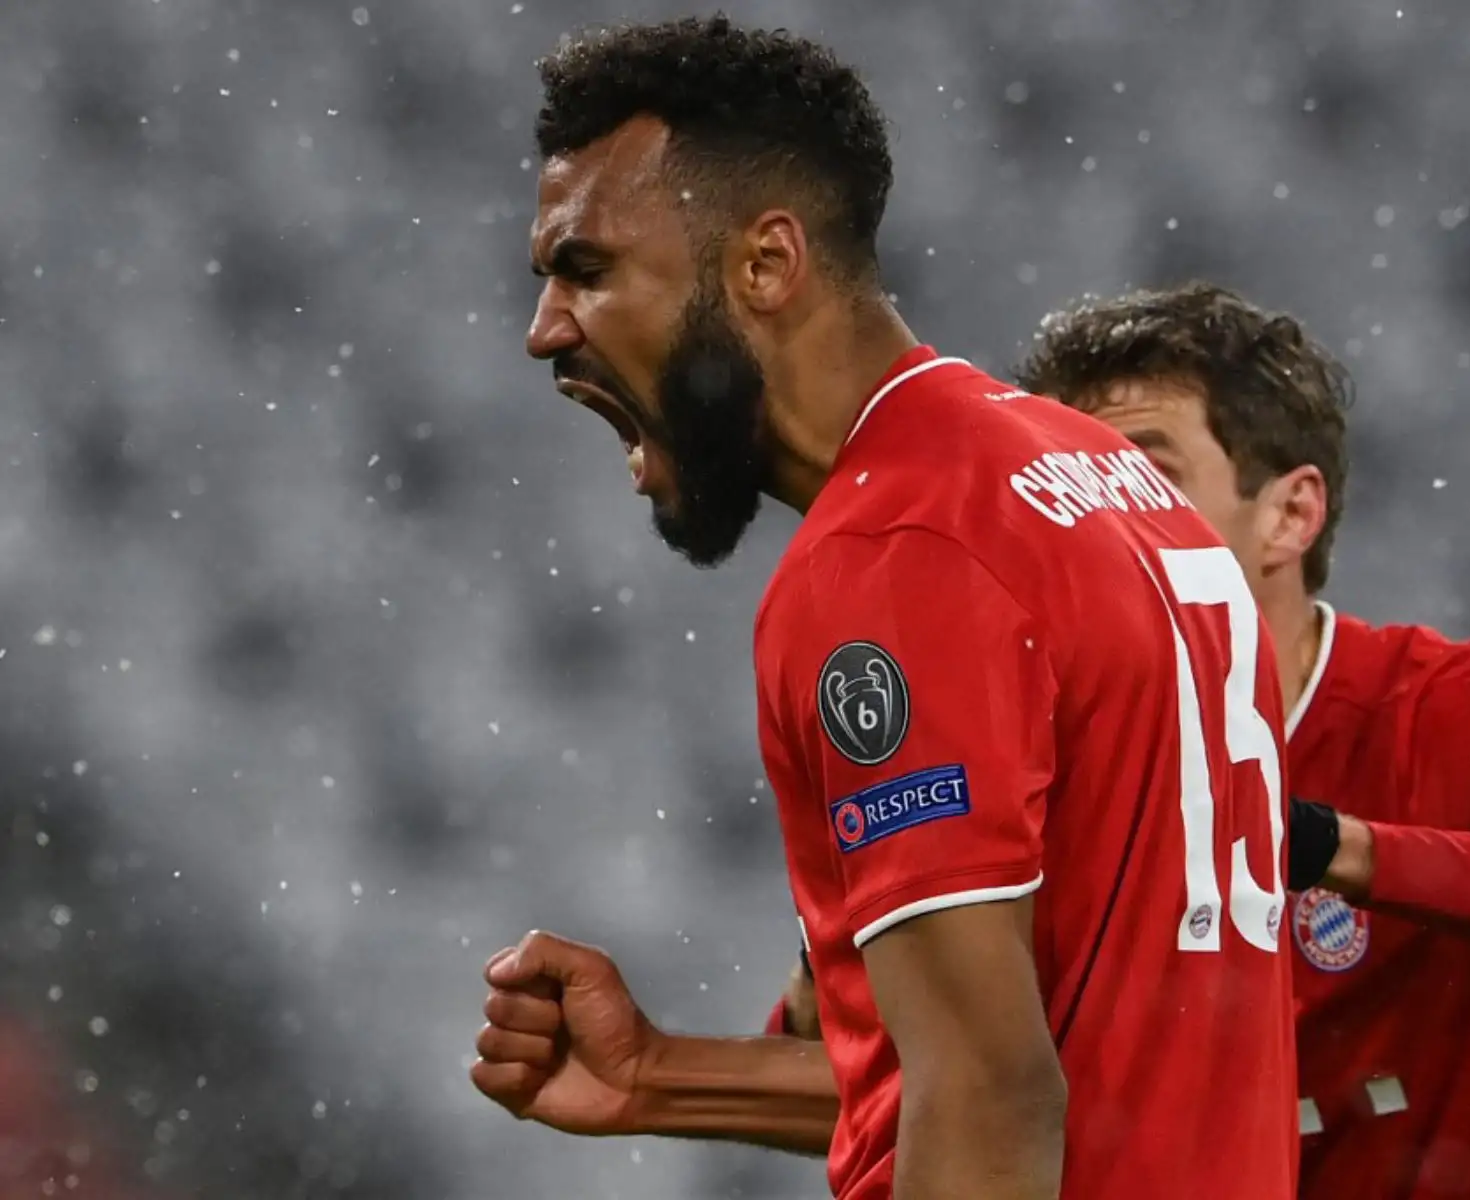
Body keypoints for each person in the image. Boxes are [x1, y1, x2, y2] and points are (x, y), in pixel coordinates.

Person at [470, 19, 1297, 1200]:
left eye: (587, 269)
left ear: (766, 265)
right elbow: (1058, 1047)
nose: (545, 329)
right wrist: (659, 1078)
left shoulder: (894, 555)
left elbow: (993, 1095)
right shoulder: (1099, 474)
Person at [773, 281, 1470, 1197]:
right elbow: (951, 1087)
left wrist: (1338, 847)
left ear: (1290, 515)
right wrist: (721, 1048)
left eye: (1144, 477)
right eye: (1071, 489)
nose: (1100, 523)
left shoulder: (1445, 712)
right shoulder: (1070, 779)